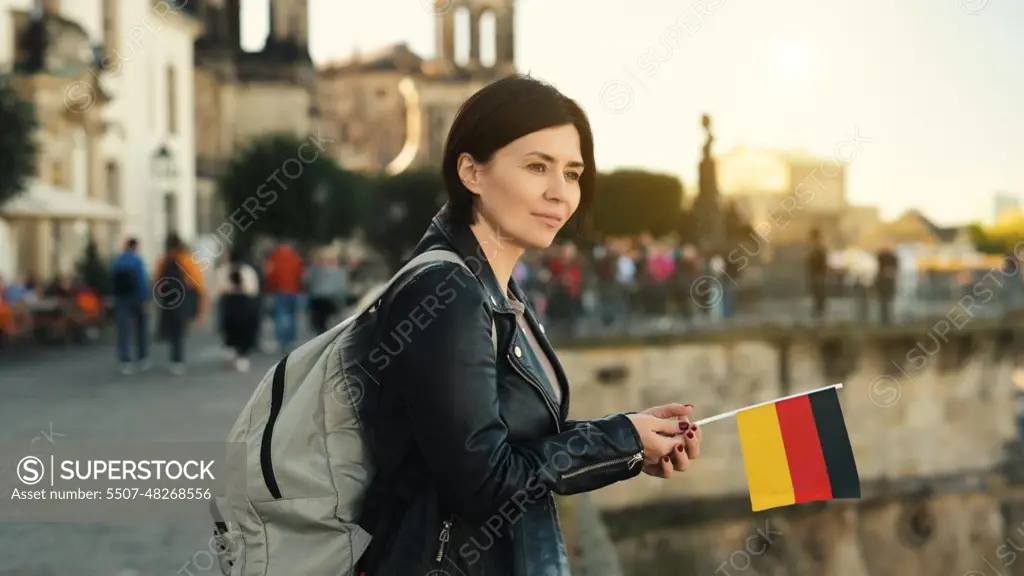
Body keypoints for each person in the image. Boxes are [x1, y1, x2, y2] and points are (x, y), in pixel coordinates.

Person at [358, 75, 702, 576]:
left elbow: (501, 442)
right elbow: (483, 482)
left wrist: (632, 441)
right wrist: (621, 440)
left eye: (573, 172)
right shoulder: (450, 293)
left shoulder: (490, 285)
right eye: (537, 166)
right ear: (471, 172)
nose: (559, 193)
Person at [154, 233, 208, 375]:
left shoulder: (163, 261)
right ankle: (177, 360)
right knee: (178, 331)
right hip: (182, 301)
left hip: (168, 302)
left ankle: (175, 358)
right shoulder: (187, 259)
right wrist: (201, 309)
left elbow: (157, 281)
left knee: (173, 331)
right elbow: (200, 284)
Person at [109, 238, 151, 374]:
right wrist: (145, 299)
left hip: (121, 299)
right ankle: (142, 358)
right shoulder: (137, 261)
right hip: (137, 298)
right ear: (135, 247)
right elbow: (142, 281)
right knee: (141, 329)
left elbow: (111, 281)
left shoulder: (117, 261)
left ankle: (124, 361)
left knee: (123, 331)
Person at [215, 248, 261, 372]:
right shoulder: (247, 271)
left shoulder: (224, 270)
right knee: (244, 329)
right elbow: (253, 289)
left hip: (229, 301)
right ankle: (242, 355)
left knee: (230, 327)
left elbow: (218, 288)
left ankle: (232, 349)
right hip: (244, 302)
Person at [264, 241, 304, 352]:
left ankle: (281, 340)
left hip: (279, 290)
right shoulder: (295, 257)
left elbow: (271, 274)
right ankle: (291, 339)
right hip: (293, 290)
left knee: (280, 315)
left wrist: (270, 288)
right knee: (292, 315)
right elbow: (300, 273)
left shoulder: (274, 257)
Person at [304, 246, 348, 335]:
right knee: (321, 323)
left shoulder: (317, 269)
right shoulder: (338, 271)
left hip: (323, 298)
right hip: (323, 299)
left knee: (321, 324)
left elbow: (307, 281)